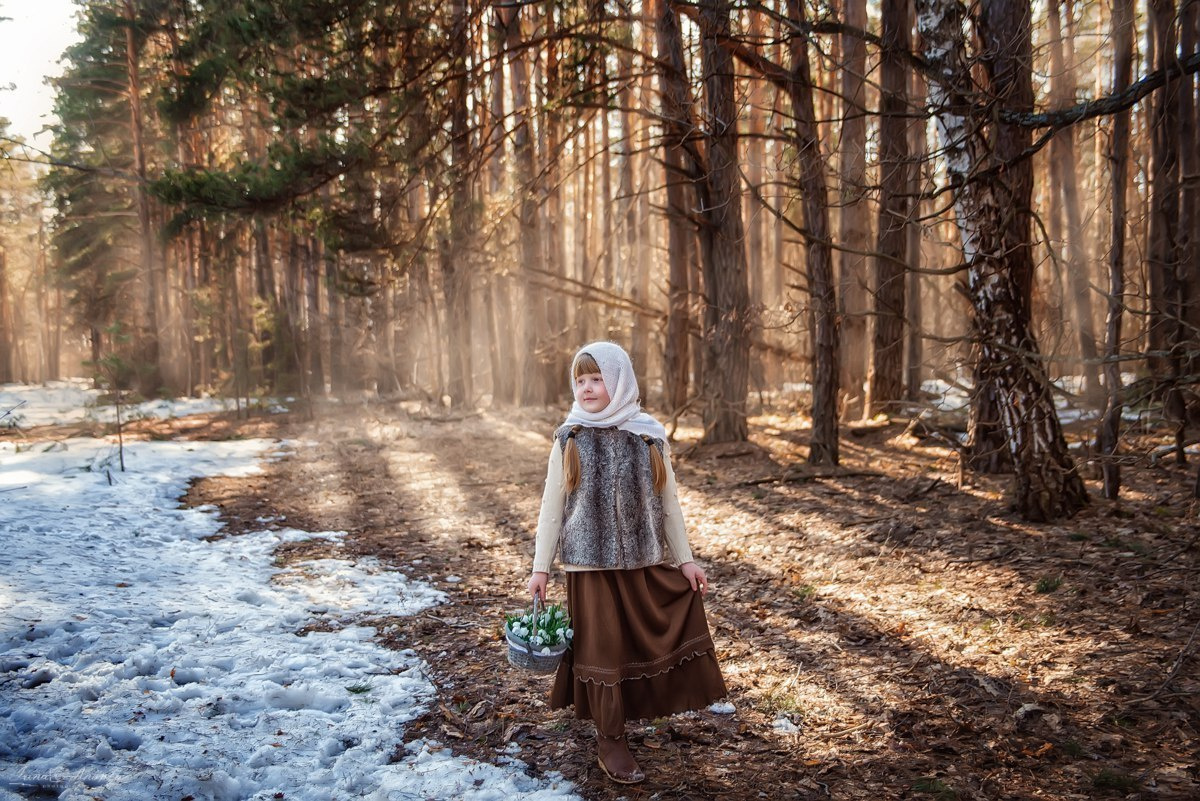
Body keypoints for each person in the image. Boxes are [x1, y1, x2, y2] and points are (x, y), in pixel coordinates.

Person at [527, 341, 726, 785]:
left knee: (647, 634)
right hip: (588, 566)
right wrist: (541, 568)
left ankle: (647, 707)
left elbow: (668, 502)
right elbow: (551, 507)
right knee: (603, 652)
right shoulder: (570, 437)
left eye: (596, 378)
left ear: (617, 380)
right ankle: (610, 739)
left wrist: (686, 561)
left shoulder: (648, 435)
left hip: (643, 559)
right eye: (580, 380)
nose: (587, 388)